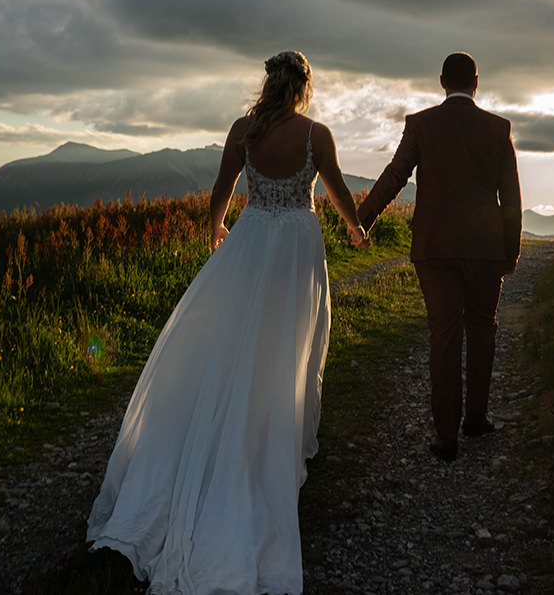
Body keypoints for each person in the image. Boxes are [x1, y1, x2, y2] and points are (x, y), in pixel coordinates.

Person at [86, 50, 369, 594]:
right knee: (286, 342)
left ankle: (225, 429)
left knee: (233, 336)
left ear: (268, 84)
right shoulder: (317, 134)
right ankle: (270, 430)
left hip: (251, 240)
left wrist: (218, 229)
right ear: (303, 88)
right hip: (293, 248)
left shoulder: (245, 129)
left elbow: (220, 194)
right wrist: (355, 229)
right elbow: (335, 191)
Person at [356, 51, 521, 462]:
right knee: (482, 327)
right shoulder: (498, 129)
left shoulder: (421, 125)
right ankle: (476, 418)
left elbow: (396, 175)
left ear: (442, 82)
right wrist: (510, 251)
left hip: (435, 248)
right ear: (476, 83)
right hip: (485, 249)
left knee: (444, 335)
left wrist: (361, 220)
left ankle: (446, 435)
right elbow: (511, 199)